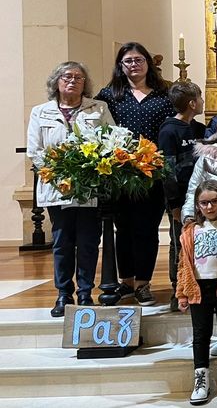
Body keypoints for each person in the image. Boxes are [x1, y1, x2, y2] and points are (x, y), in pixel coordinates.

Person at [27, 62, 114, 316]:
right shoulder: (40, 112)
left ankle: (85, 293)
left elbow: (111, 140)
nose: (73, 81)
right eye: (67, 77)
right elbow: (35, 151)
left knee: (88, 241)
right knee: (62, 242)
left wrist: (87, 168)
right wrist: (63, 171)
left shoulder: (98, 108)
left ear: (85, 83)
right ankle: (63, 294)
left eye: (78, 77)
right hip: (57, 187)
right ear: (57, 82)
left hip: (89, 187)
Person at [95, 42, 176, 306]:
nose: (133, 65)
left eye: (138, 60)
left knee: (146, 229)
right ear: (121, 66)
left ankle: (143, 283)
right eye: (128, 61)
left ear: (148, 63)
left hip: (152, 172)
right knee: (123, 229)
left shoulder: (164, 95)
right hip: (120, 172)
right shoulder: (109, 95)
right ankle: (126, 282)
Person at [175, 181, 217, 405]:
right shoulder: (190, 230)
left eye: (214, 201)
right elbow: (183, 265)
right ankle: (200, 378)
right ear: (197, 205)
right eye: (204, 203)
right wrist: (181, 293)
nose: (209, 207)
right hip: (198, 288)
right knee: (200, 334)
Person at [159, 81, 207, 311]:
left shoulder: (199, 129)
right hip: (181, 198)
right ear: (192, 103)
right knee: (179, 242)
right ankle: (178, 289)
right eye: (200, 97)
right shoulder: (169, 131)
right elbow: (167, 170)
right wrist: (175, 204)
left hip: (203, 196)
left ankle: (200, 286)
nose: (203, 101)